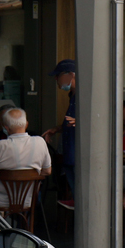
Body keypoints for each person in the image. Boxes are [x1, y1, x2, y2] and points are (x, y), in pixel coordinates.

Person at [42, 58, 76, 200]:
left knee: (81, 197)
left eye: (59, 75)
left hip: (79, 156)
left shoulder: (86, 95)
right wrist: (56, 129)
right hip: (69, 156)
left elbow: (98, 121)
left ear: (71, 74)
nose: (56, 79)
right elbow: (70, 122)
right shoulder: (72, 96)